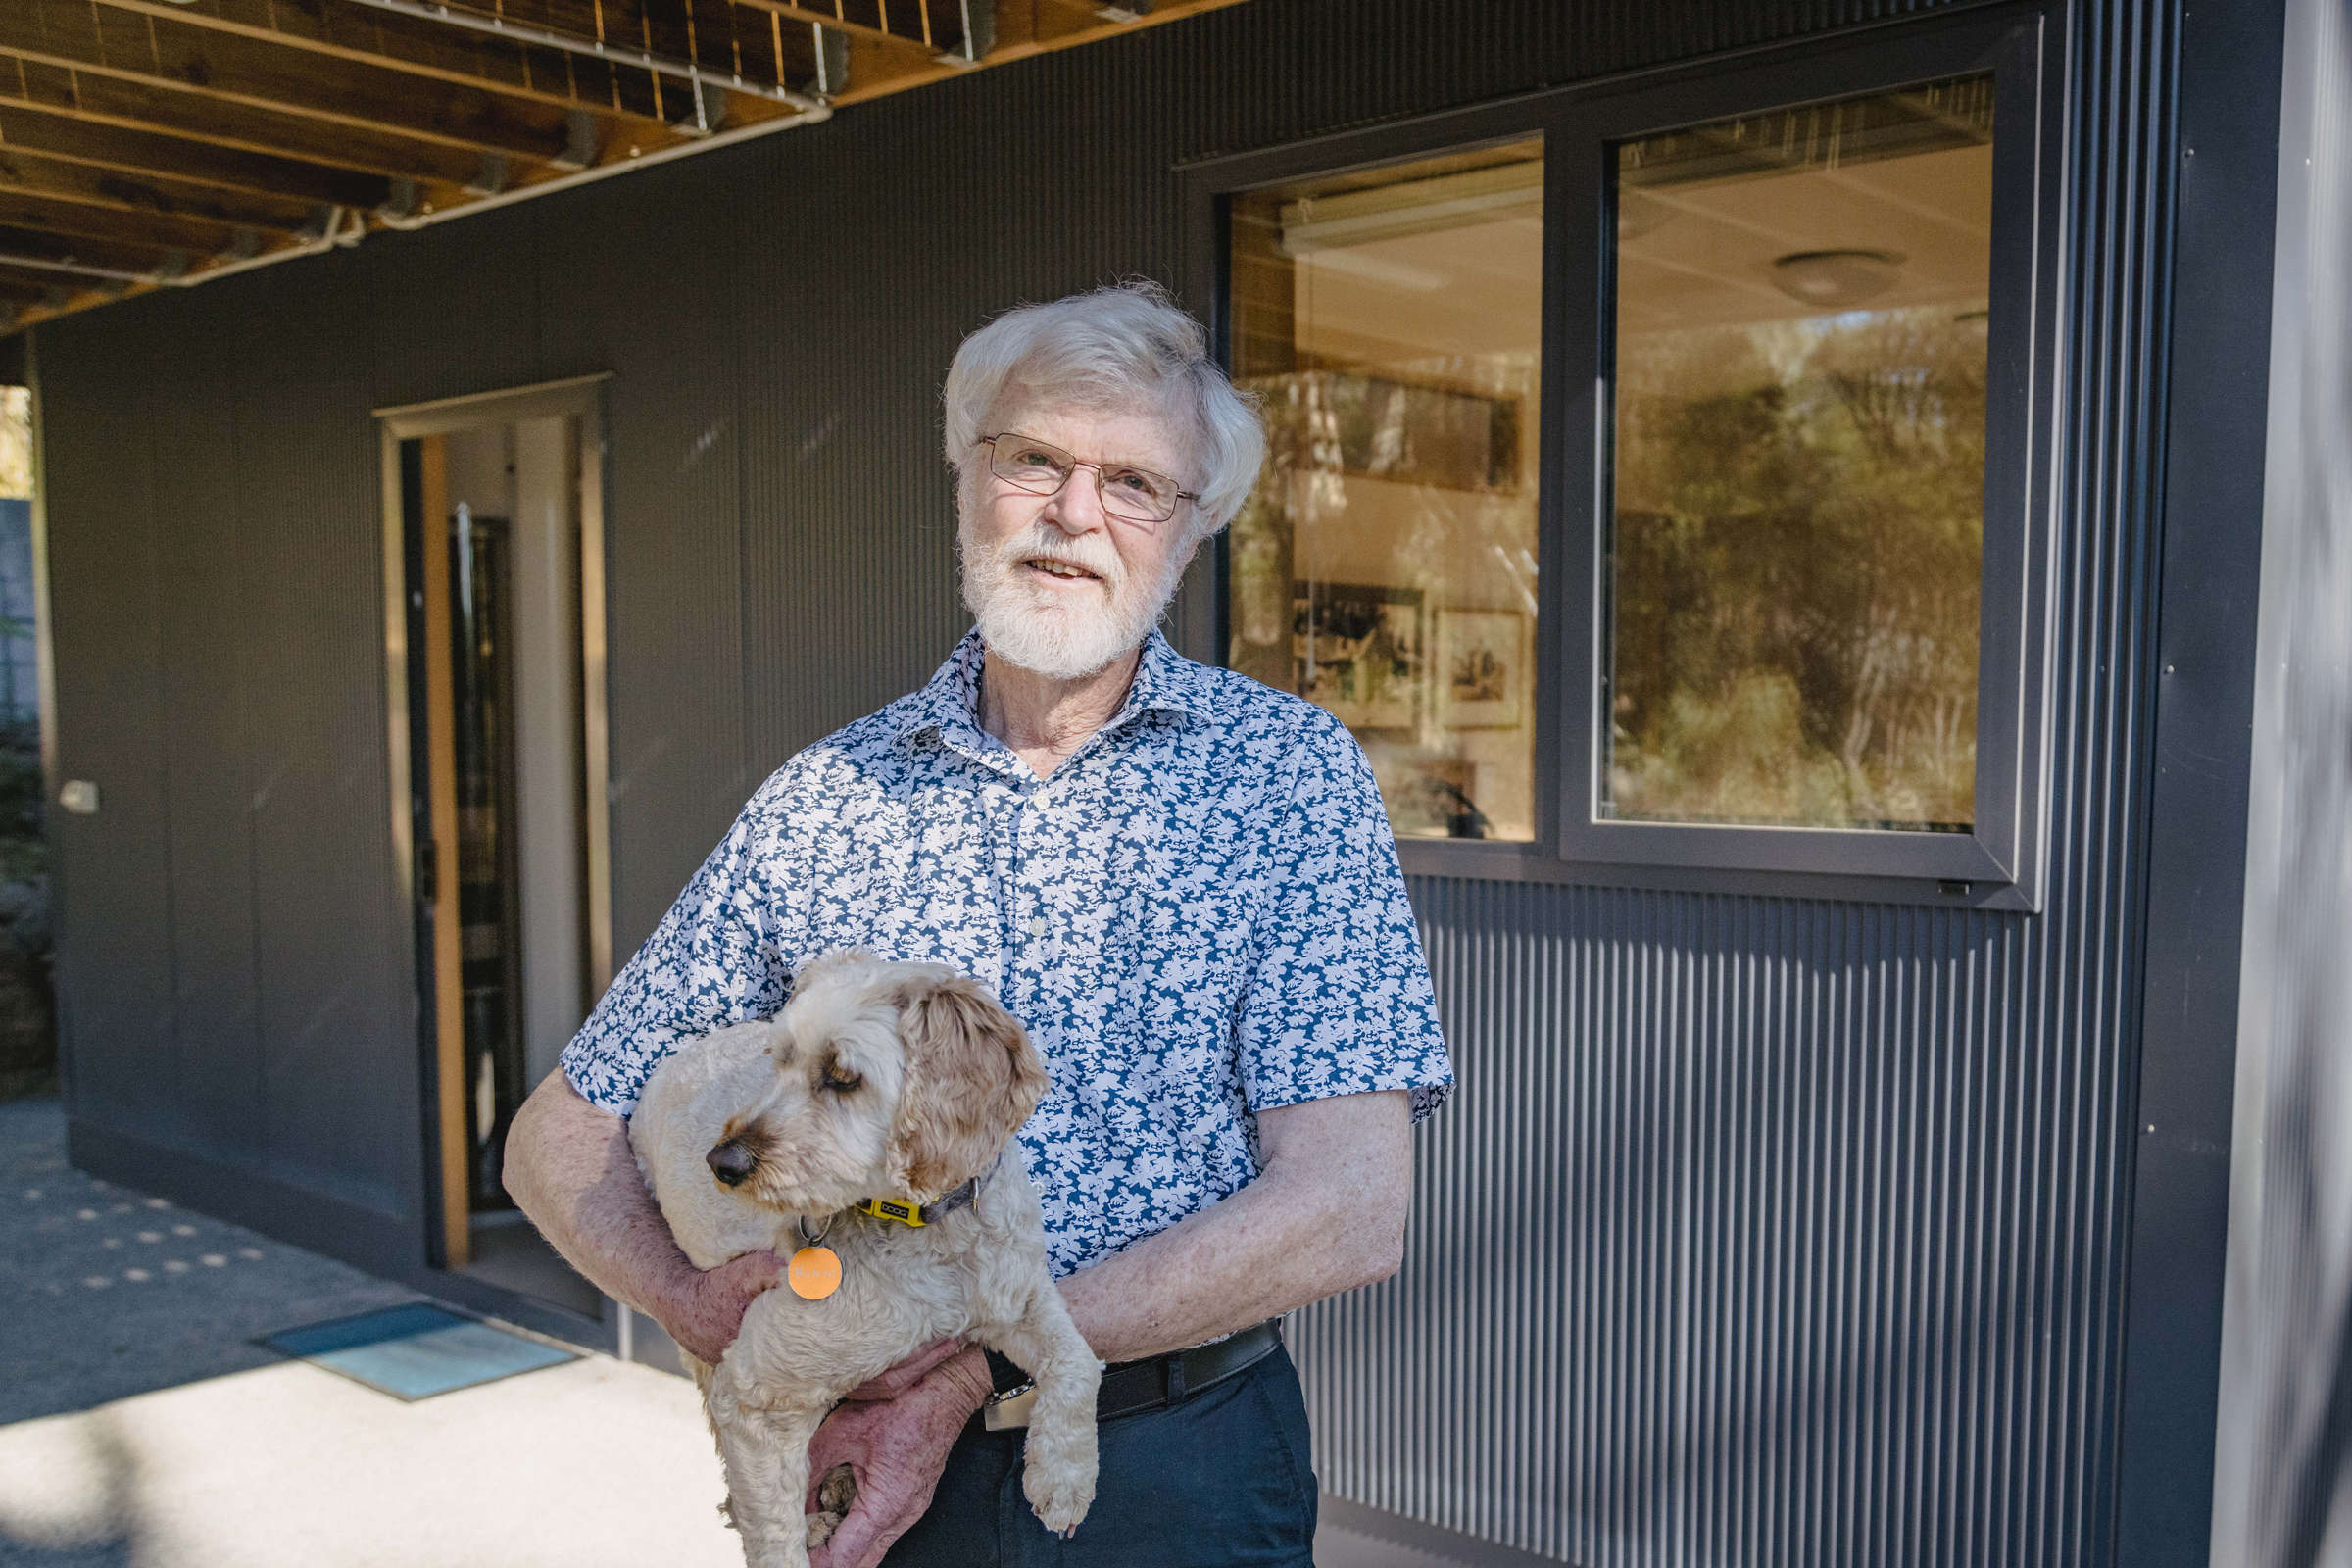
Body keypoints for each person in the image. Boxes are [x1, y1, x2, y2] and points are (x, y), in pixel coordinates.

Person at [503, 279, 1454, 1567]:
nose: (1074, 514)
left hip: (1173, 1469)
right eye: (1034, 459)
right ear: (966, 474)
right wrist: (700, 1305)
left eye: (1134, 484)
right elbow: (554, 1141)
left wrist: (964, 1366)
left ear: (1192, 530)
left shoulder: (1285, 778)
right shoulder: (823, 802)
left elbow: (1348, 1207)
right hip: (879, 1475)